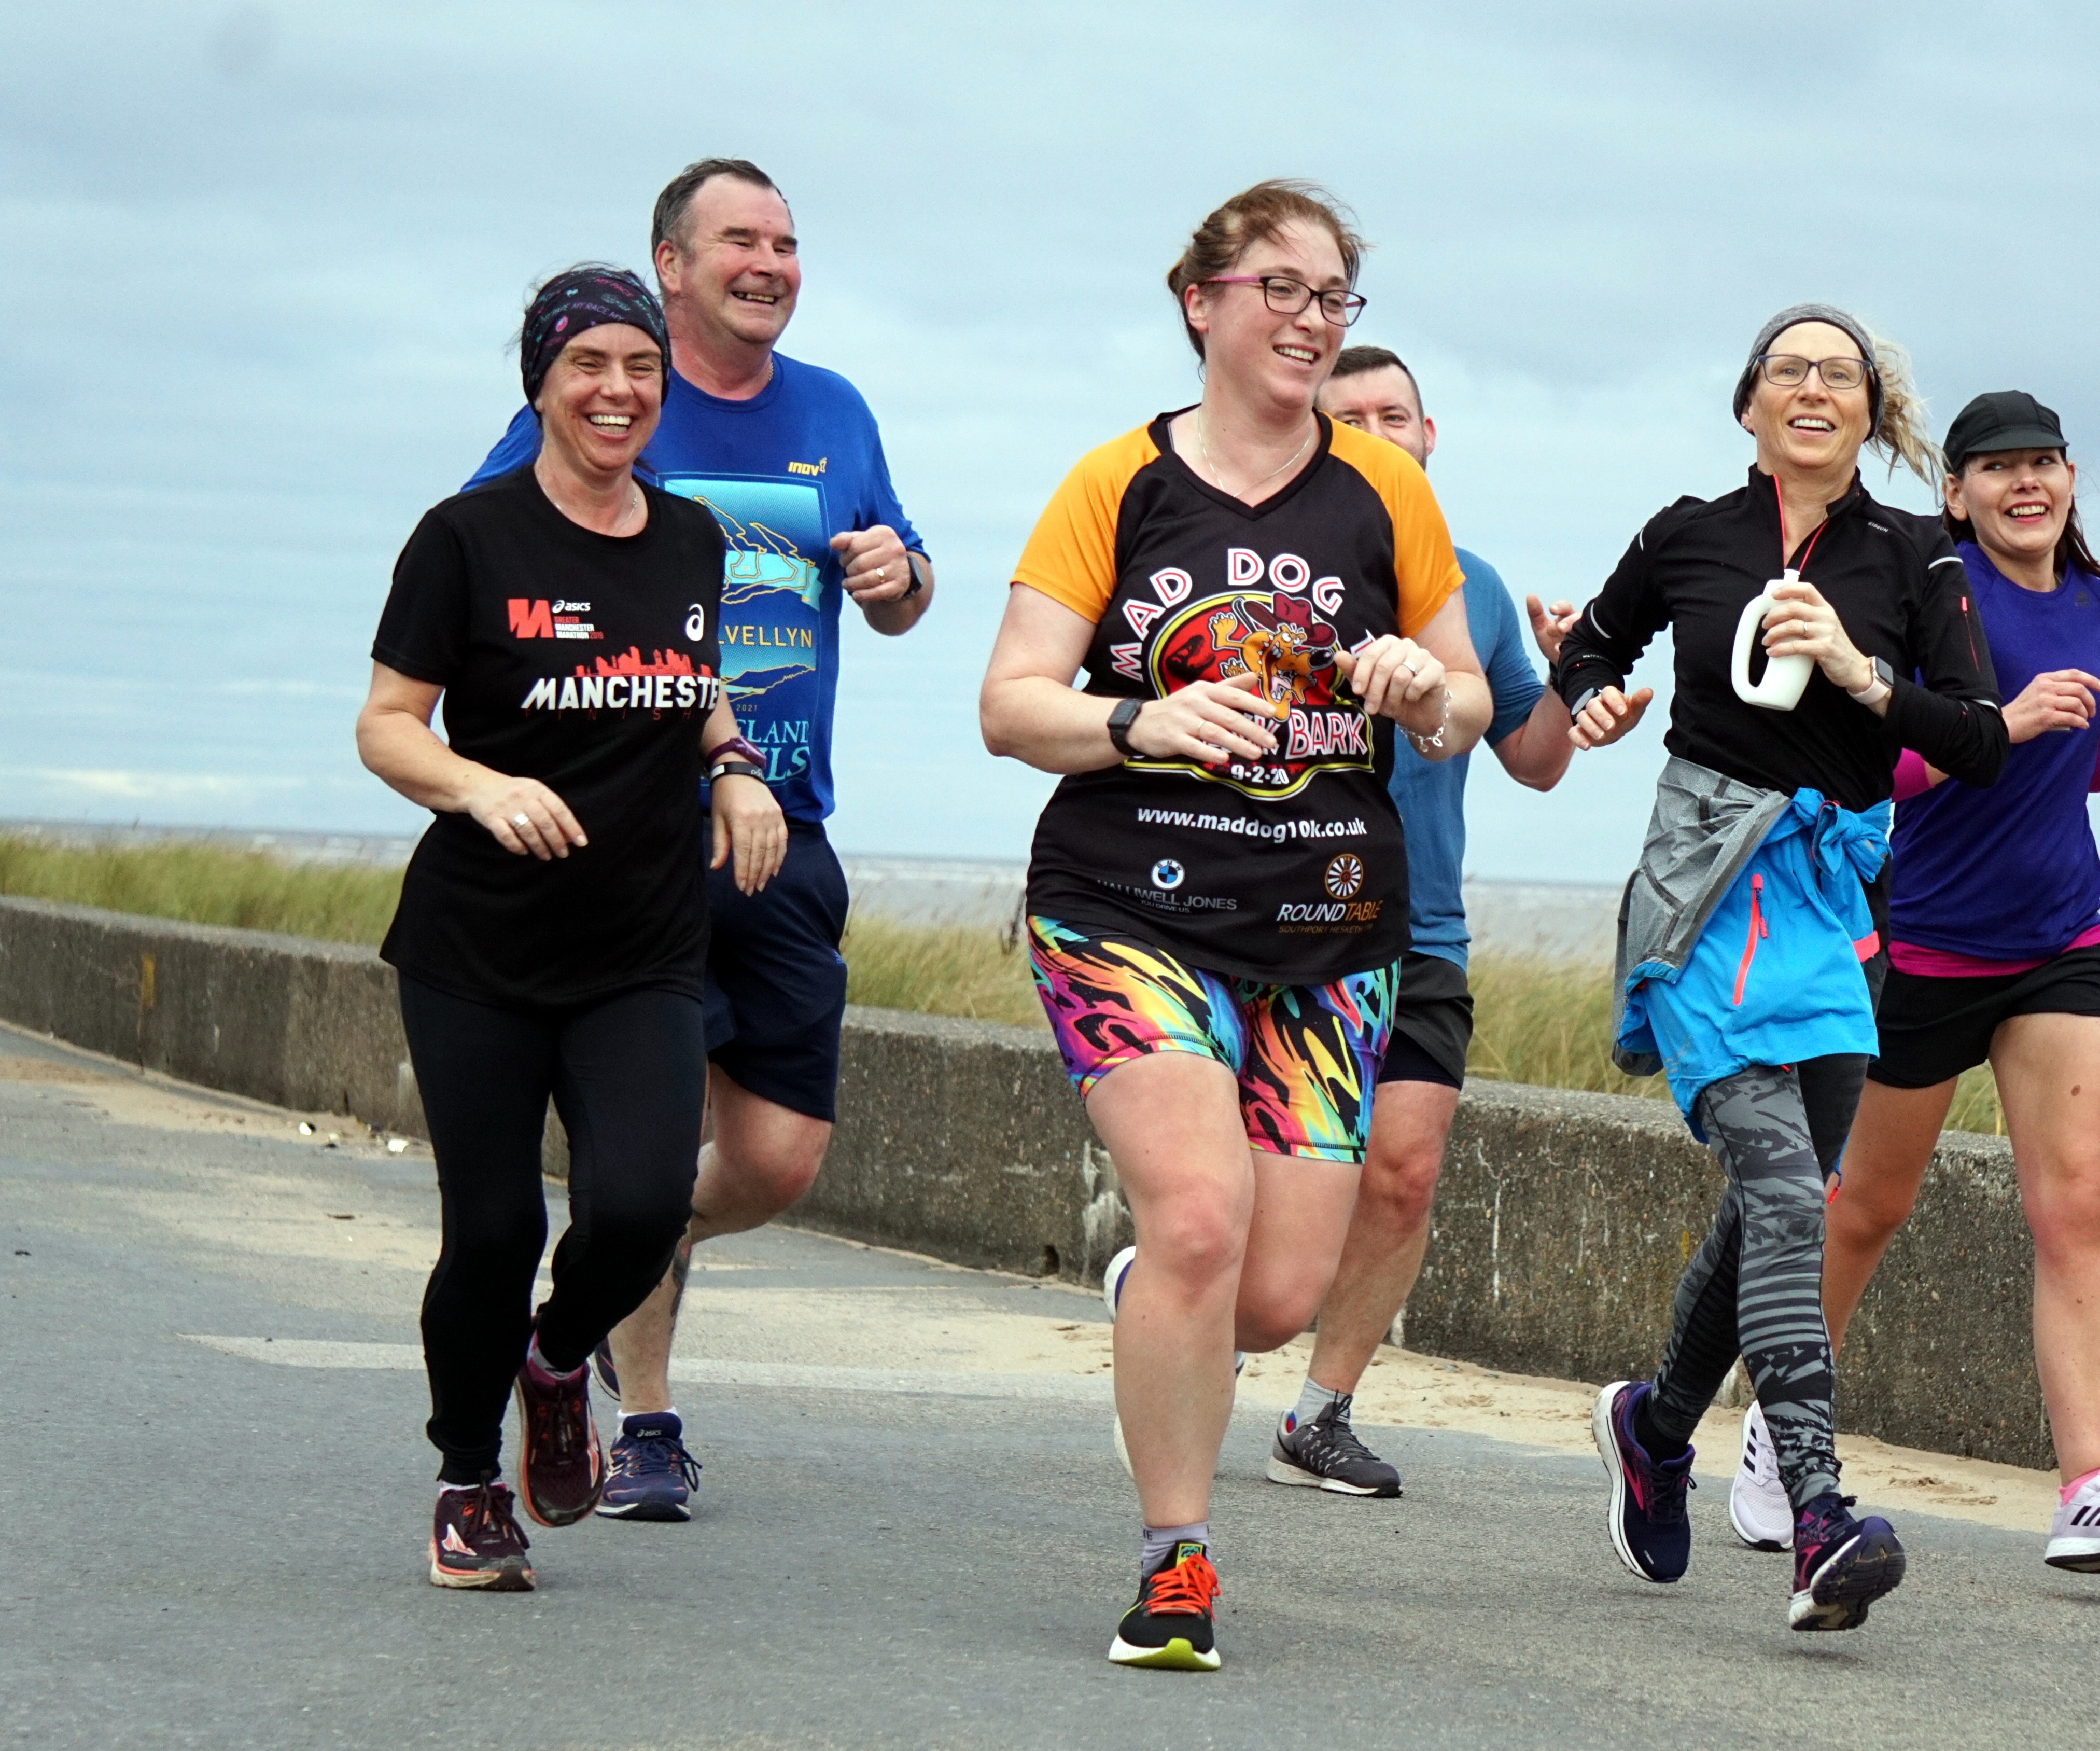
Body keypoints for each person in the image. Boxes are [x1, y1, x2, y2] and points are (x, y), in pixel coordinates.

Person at [978, 180, 1491, 1672]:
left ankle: (1164, 1297)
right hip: (1125, 907)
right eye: (1278, 286)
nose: (1307, 318)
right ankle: (1175, 1560)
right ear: (1199, 299)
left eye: (1332, 297)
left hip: (1330, 923)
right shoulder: (1115, 484)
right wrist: (1143, 717)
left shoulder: (1385, 494)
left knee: (1267, 1292)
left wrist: (1416, 691)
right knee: (1203, 1217)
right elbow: (1011, 705)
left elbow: (1464, 705)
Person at [465, 159, 934, 1520]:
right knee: (645, 1140)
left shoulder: (835, 412)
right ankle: (646, 1421)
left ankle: (609, 1275)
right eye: (742, 240)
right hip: (626, 845)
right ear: (670, 264)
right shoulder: (610, 398)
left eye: (789, 242)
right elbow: (490, 551)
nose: (772, 263)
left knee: (779, 1160)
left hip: (785, 835)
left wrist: (902, 579)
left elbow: (904, 587)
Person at [1553, 304, 2008, 1631]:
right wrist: (1589, 697)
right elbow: (1593, 646)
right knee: (1785, 1188)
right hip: (1702, 888)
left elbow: (1977, 739)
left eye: (1841, 373)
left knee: (1776, 1203)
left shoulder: (1919, 555)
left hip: (1832, 906)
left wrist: (1866, 677)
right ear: (1749, 402)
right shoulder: (1689, 531)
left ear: (1872, 412)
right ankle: (1818, 1507)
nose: (1813, 388)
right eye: (1788, 370)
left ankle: (1654, 1424)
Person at [1744, 389, 2100, 1573]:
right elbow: (1881, 760)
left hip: (2062, 935)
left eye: (2046, 464)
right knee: (1867, 1205)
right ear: (1955, 491)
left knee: (2076, 1200)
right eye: (1997, 468)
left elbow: (2074, 765)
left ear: (2071, 479)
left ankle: (2092, 1488)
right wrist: (1997, 726)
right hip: (1927, 941)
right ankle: (1778, 1431)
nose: (2028, 484)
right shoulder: (1930, 593)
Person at [357, 266, 788, 1591]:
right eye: (589, 364)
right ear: (542, 379)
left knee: (643, 1204)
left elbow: (688, 681)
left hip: (643, 943)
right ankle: (466, 1475)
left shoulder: (692, 537)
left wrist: (735, 764)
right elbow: (386, 725)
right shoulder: (465, 537)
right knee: (487, 1229)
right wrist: (482, 785)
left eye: (640, 367)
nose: (617, 390)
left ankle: (557, 1363)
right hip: (479, 951)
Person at [1261, 344, 1627, 1497]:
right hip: (1270, 923)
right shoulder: (1268, 567)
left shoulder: (1467, 579)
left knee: (1404, 1173)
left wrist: (1570, 681)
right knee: (1263, 1183)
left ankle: (1320, 1413)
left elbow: (1534, 762)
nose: (1375, 430)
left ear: (1430, 434)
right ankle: (1182, 1307)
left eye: (1394, 413)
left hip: (1419, 928)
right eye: (1349, 414)